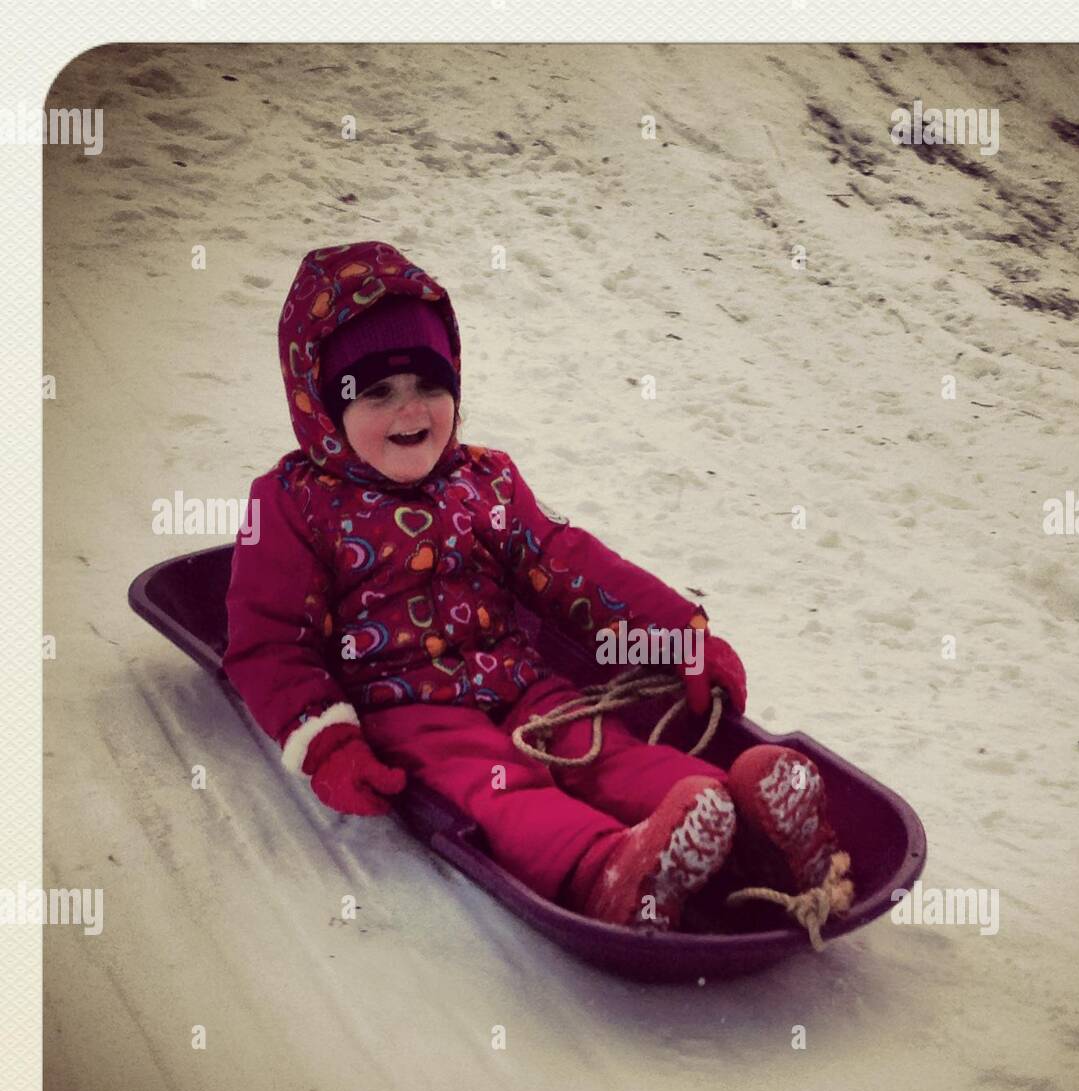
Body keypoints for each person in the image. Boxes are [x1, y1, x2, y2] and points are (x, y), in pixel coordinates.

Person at [224, 240, 839, 929]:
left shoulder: (483, 479)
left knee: (604, 750)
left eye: (431, 385)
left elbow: (569, 563)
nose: (412, 412)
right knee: (500, 788)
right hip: (410, 709)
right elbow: (269, 642)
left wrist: (679, 637)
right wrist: (329, 743)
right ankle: (605, 869)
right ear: (321, 406)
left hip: (522, 686)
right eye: (376, 393)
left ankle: (740, 817)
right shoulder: (293, 504)